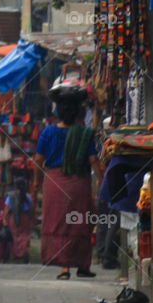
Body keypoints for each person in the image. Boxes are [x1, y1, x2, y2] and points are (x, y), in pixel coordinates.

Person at [34, 90, 102, 279]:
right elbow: (93, 160)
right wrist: (103, 180)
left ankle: (64, 267)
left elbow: (38, 159)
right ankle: (83, 265)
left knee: (59, 224)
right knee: (80, 223)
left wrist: (36, 182)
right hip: (79, 183)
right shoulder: (85, 134)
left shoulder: (48, 132)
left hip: (55, 183)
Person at [5, 176, 33, 263]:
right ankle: (24, 252)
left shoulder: (11, 196)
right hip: (25, 218)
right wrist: (31, 220)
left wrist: (4, 219)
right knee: (24, 235)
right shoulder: (28, 196)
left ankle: (16, 254)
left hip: (13, 217)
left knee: (15, 235)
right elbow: (31, 209)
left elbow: (6, 208)